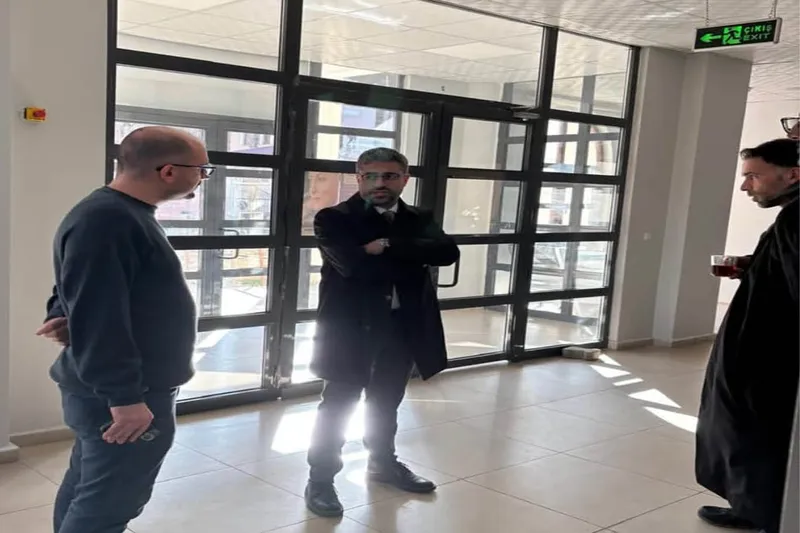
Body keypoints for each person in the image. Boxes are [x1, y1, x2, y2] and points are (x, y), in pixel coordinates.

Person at [35, 126, 209, 533]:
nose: (203, 177)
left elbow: (78, 288)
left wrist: (62, 312)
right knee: (107, 504)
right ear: (168, 171)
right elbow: (100, 312)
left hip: (118, 388)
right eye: (202, 169)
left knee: (89, 488)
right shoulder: (109, 219)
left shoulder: (118, 214)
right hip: (126, 393)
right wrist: (124, 397)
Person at [304, 147, 460, 517]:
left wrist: (387, 245)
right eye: (371, 176)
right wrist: (413, 255)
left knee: (386, 401)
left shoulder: (419, 217)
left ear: (404, 179)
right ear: (358, 178)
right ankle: (321, 479)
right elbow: (355, 268)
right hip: (350, 329)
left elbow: (447, 253)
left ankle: (383, 463)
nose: (380, 183)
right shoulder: (333, 218)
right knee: (338, 405)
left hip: (402, 327)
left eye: (389, 176)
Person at [696, 138, 799, 533]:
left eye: (753, 176)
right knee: (742, 429)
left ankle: (766, 515)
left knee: (750, 430)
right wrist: (752, 266)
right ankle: (750, 506)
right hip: (762, 349)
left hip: (766, 354)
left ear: (792, 175)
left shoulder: (794, 218)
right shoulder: (791, 214)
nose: (745, 186)